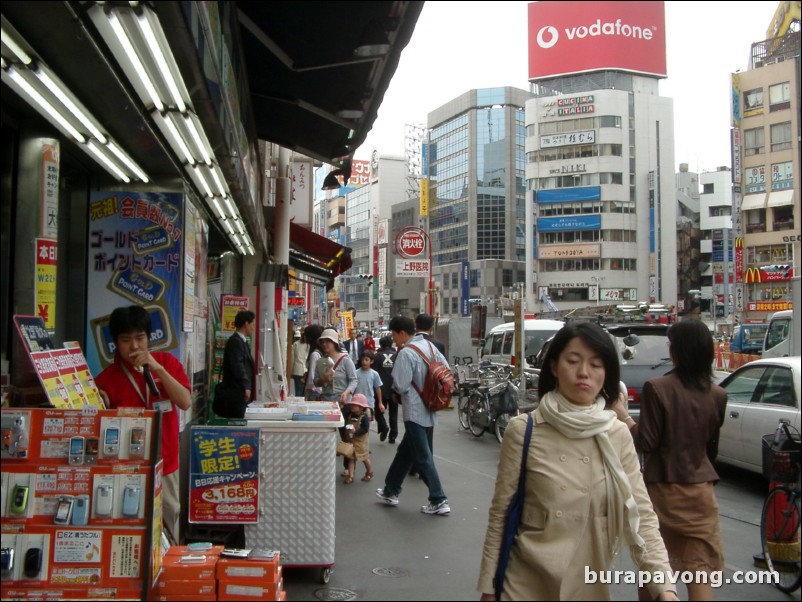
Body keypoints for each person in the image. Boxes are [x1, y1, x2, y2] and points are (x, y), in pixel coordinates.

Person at [477, 321, 678, 601]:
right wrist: (488, 588)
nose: (584, 372)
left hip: (588, 585)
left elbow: (641, 515)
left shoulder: (616, 434)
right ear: (554, 367)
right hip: (523, 583)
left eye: (596, 365)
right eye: (573, 361)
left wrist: (664, 587)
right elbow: (500, 514)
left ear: (606, 374)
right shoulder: (524, 429)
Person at [612, 319, 727, 601]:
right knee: (697, 571)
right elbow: (711, 450)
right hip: (701, 494)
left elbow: (647, 443)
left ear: (678, 351)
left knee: (654, 570)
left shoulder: (657, 388)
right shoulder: (718, 395)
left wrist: (623, 414)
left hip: (662, 492)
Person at [95, 305, 191, 543]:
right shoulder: (106, 379)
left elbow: (185, 401)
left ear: (149, 338)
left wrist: (157, 369)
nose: (134, 346)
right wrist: (102, 406)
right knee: (128, 526)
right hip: (125, 467)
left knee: (169, 520)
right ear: (116, 343)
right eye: (126, 340)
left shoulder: (166, 362)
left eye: (140, 338)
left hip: (165, 462)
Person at [375, 316, 451, 516]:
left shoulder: (407, 352)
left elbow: (400, 384)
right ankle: (391, 490)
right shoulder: (431, 347)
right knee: (405, 451)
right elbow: (447, 371)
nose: (394, 340)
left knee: (422, 456)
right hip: (430, 405)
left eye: (394, 335)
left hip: (415, 409)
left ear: (402, 333)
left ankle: (438, 498)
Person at [214, 310, 255, 418]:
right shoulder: (236, 342)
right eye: (252, 324)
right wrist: (246, 386)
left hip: (238, 392)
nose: (253, 328)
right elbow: (238, 366)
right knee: (236, 420)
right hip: (235, 393)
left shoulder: (241, 342)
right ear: (246, 324)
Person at [314, 328, 357, 405]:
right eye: (322, 342)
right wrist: (323, 379)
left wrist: (346, 393)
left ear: (334, 343)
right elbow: (316, 382)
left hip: (343, 402)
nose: (324, 344)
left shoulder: (346, 360)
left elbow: (354, 380)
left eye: (327, 341)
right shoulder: (320, 361)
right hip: (326, 402)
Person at [354, 349, 388, 440]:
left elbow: (378, 388)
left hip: (369, 404)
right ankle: (357, 445)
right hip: (356, 404)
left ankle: (365, 445)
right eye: (362, 360)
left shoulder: (374, 374)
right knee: (356, 424)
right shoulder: (356, 373)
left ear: (371, 361)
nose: (364, 362)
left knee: (366, 426)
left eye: (366, 360)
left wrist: (380, 403)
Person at [342, 393, 374, 484]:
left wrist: (355, 432)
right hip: (352, 441)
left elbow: (365, 429)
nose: (352, 406)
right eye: (351, 404)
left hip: (361, 442)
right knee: (351, 459)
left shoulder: (363, 418)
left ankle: (369, 472)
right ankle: (351, 476)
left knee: (364, 458)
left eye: (354, 405)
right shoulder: (350, 415)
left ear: (361, 407)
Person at [373, 335, 398, 443]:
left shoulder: (377, 356)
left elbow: (374, 373)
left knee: (378, 411)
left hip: (381, 388)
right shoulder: (396, 355)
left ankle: (383, 426)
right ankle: (393, 435)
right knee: (393, 413)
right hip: (393, 388)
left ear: (382, 344)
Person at [303, 324, 324, 400]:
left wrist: (307, 392)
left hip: (314, 391)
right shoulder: (320, 352)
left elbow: (312, 377)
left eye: (306, 335)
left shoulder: (314, 354)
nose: (304, 337)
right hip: (319, 390)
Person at [290, 329, 309, 397]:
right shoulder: (307, 345)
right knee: (302, 390)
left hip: (296, 370)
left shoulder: (295, 344)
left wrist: (291, 371)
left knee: (297, 389)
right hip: (304, 370)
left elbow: (292, 359)